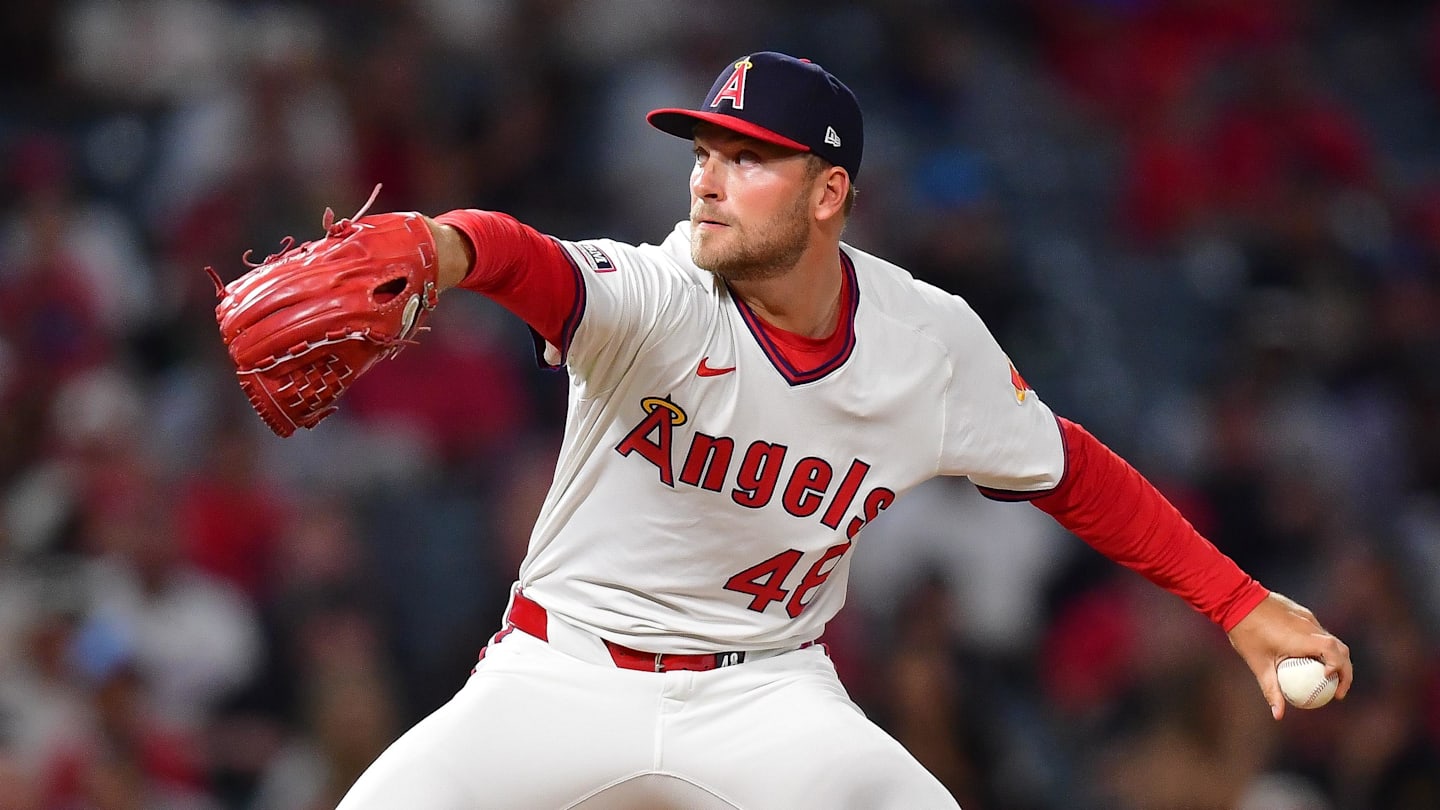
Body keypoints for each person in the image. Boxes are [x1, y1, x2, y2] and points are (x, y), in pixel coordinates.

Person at [333, 51, 1352, 809]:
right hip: (560, 672)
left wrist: (1237, 602)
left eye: (748, 159)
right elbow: (525, 258)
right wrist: (435, 243)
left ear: (830, 195)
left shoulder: (926, 340)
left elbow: (1070, 470)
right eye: (704, 153)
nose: (707, 180)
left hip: (765, 695)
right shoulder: (661, 289)